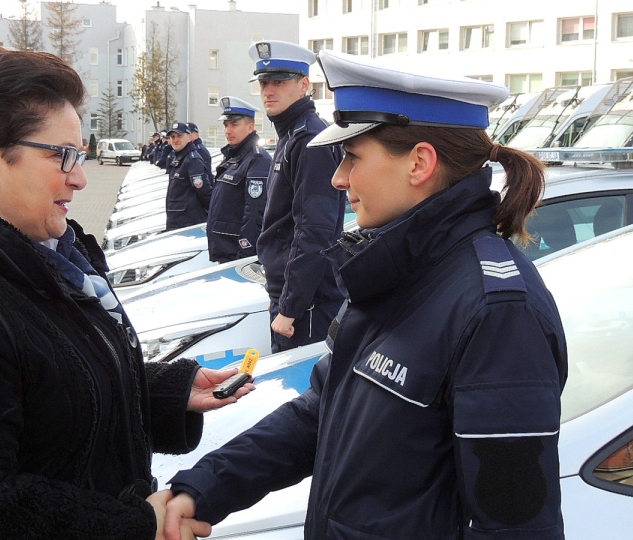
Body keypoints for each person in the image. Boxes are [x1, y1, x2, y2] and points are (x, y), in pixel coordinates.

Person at [160, 49, 568, 539]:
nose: (339, 178)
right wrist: (205, 487)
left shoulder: (498, 312)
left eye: (352, 157)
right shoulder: (399, 267)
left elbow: (516, 526)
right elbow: (322, 411)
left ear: (419, 163)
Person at [0, 46, 250, 540]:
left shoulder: (38, 255)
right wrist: (134, 524)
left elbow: (41, 393)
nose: (81, 177)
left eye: (80, 156)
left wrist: (167, 394)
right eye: (63, 156)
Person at [249, 40, 346, 353]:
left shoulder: (308, 140)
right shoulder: (292, 135)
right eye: (264, 82)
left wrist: (290, 307)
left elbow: (315, 231)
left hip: (307, 306)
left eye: (279, 82)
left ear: (304, 85)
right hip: (295, 299)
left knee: (301, 394)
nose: (268, 90)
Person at [205, 96, 272, 263]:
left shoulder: (257, 160)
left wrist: (245, 255)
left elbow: (255, 214)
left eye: (235, 125)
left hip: (238, 254)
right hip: (225, 250)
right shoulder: (233, 157)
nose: (228, 130)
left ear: (250, 127)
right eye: (226, 125)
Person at [164, 121, 213, 231]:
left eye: (180, 136)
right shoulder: (177, 157)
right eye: (172, 136)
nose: (175, 140)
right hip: (176, 219)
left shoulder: (192, 160)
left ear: (190, 137)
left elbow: (203, 191)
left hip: (188, 221)